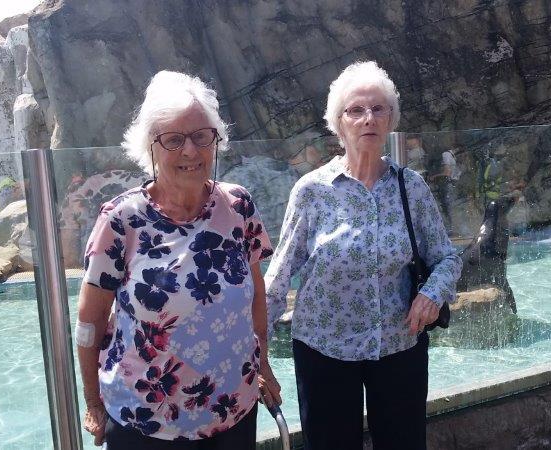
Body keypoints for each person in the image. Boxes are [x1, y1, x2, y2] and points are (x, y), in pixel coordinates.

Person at [76, 71, 282, 449]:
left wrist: (263, 365)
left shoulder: (238, 205)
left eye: (201, 136)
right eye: (173, 139)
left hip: (233, 410)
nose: (190, 151)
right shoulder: (121, 220)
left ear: (216, 140)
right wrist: (93, 402)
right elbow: (89, 321)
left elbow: (255, 296)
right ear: (150, 148)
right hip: (145, 422)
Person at [265, 61, 462, 450]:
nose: (368, 118)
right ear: (339, 123)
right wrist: (257, 348)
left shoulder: (411, 187)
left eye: (378, 109)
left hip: (398, 345)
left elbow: (447, 258)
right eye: (355, 110)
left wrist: (431, 294)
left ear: (390, 119)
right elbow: (280, 274)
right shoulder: (311, 191)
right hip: (324, 349)